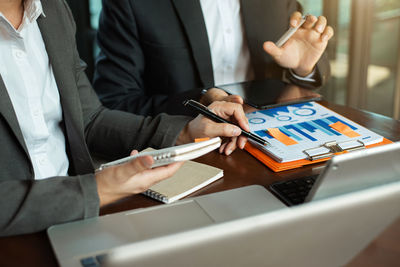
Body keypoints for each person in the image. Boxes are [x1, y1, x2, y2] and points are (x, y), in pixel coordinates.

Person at [0, 0, 249, 236]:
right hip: (19, 236)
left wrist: (185, 132)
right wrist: (98, 188)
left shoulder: (52, 9)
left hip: (79, 220)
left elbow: (89, 119)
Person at [93, 0, 334, 116]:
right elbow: (115, 102)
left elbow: (306, 66)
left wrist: (304, 68)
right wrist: (199, 102)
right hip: (189, 144)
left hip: (273, 132)